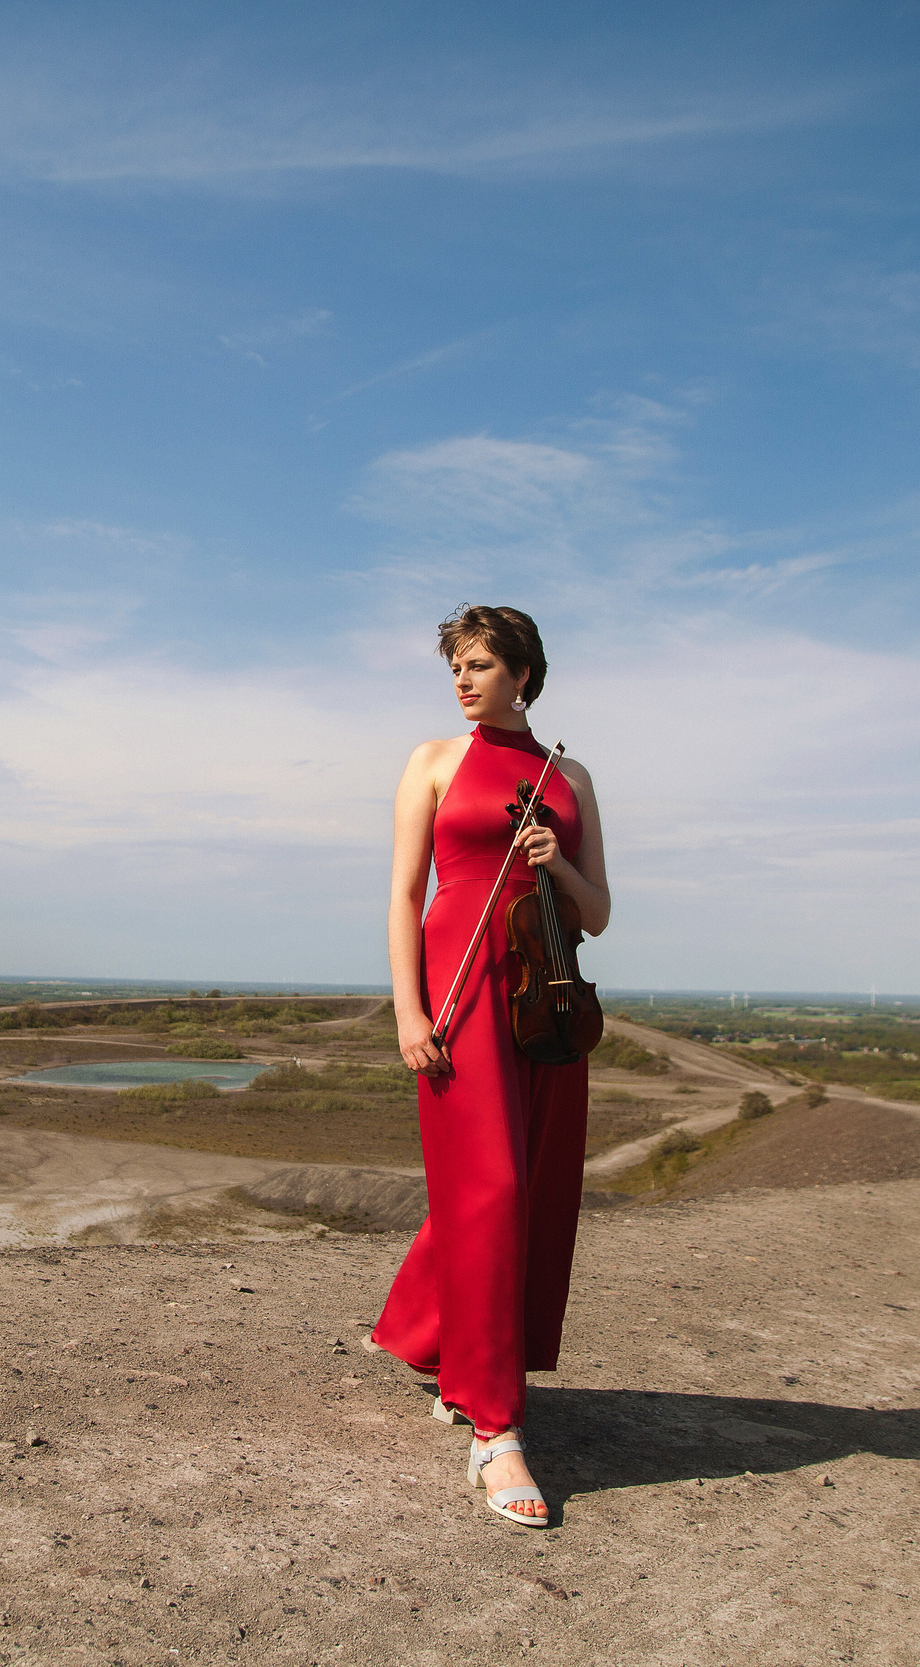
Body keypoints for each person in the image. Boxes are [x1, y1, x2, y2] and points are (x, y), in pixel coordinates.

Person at [364, 605, 610, 1528]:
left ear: (521, 672)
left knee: (523, 1186)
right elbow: (403, 891)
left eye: (478, 665)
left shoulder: (567, 774)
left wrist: (558, 861)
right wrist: (407, 1009)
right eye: (456, 666)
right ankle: (495, 1432)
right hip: (459, 991)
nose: (462, 681)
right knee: (491, 1188)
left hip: (541, 992)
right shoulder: (431, 760)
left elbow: (599, 913)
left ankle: (448, 1355)